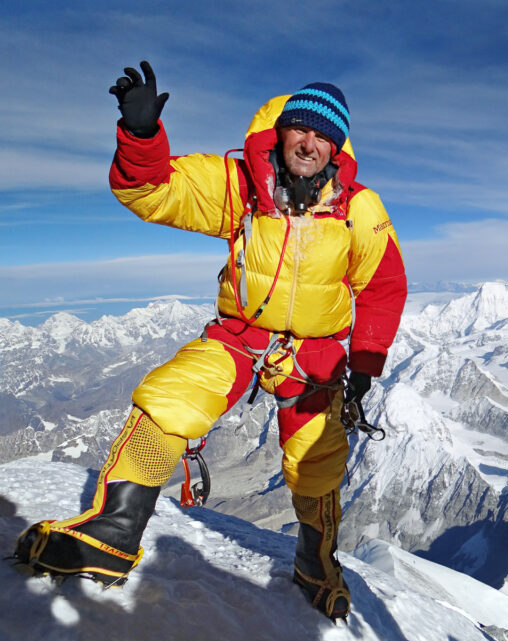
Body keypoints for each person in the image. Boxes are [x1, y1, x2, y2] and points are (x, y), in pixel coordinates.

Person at [13, 61, 407, 622]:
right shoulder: (240, 180)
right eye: (303, 129)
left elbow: (383, 285)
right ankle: (114, 533)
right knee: (172, 398)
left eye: (324, 136)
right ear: (284, 129)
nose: (310, 143)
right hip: (242, 336)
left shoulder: (359, 209)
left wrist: (365, 362)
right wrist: (142, 137)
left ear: (336, 149)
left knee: (318, 458)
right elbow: (151, 190)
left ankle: (316, 561)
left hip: (316, 353)